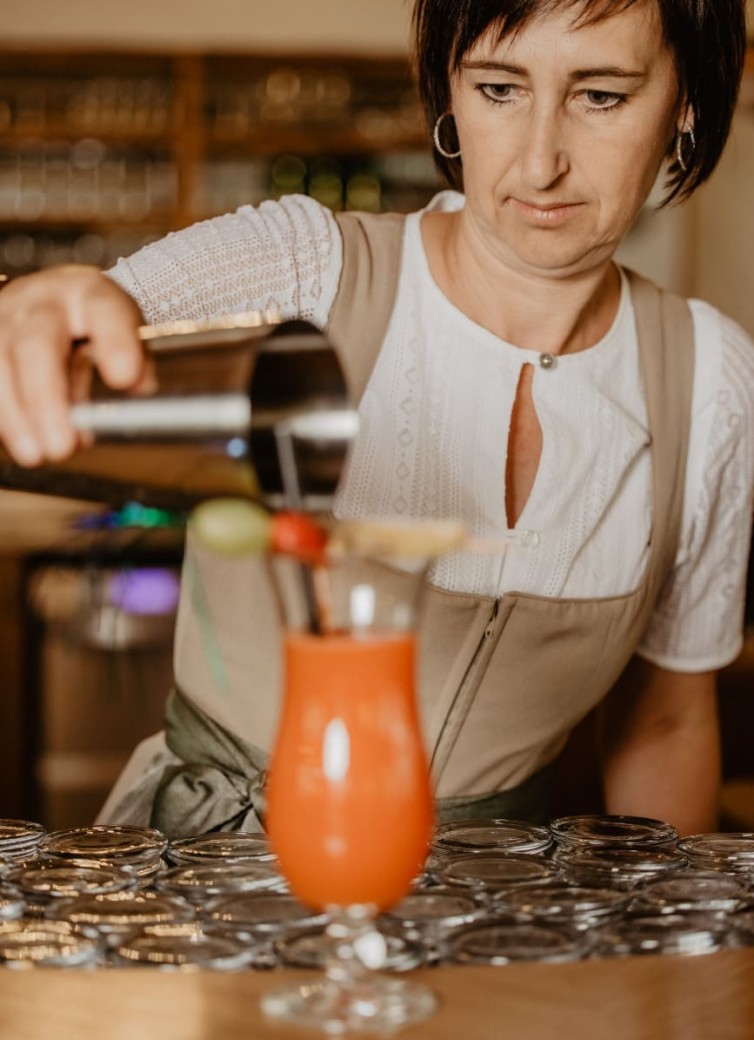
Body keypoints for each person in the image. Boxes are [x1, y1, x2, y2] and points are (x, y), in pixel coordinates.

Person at [0, 0, 751, 838]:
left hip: (492, 897)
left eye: (600, 95)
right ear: (450, 92)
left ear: (685, 104)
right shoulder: (300, 270)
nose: (540, 162)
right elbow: (62, 332)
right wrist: (31, 311)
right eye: (499, 89)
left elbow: (665, 719)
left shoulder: (708, 379)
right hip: (209, 878)